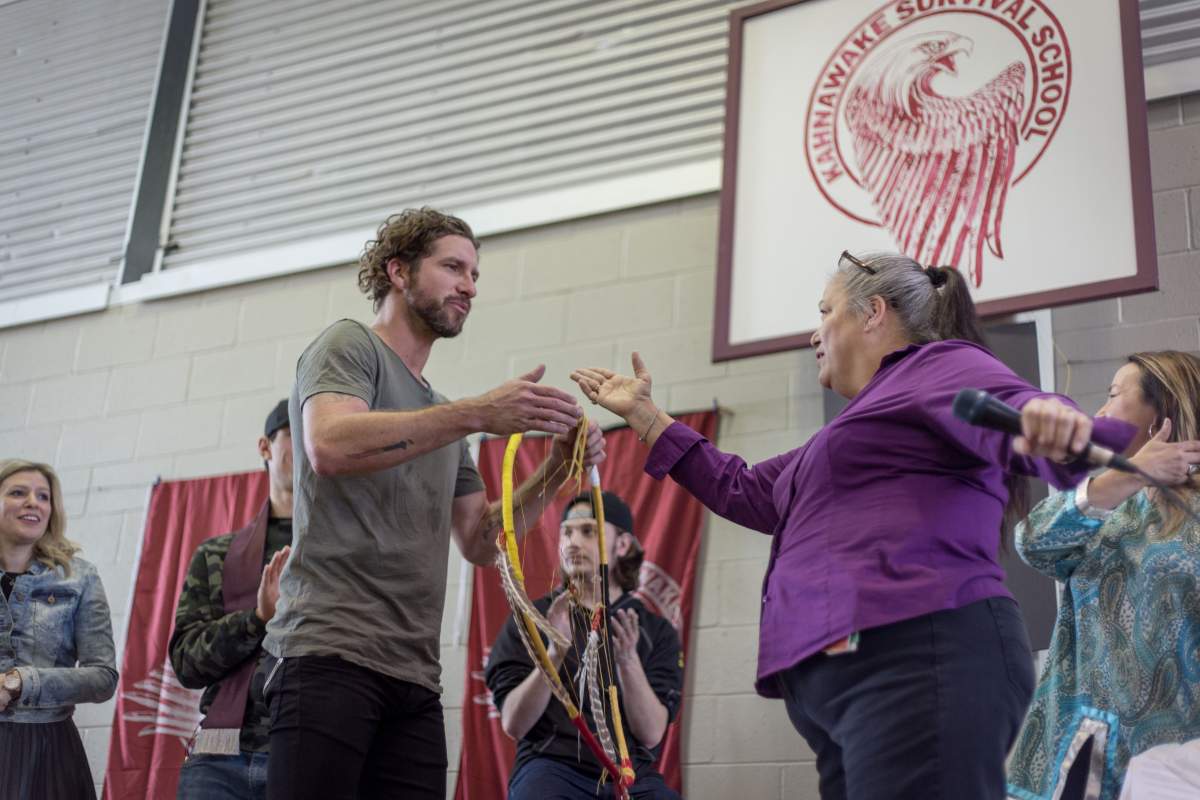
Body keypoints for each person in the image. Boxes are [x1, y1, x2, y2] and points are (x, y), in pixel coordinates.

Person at [571, 251, 1134, 800]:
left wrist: (1057, 424)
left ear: (874, 313)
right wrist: (645, 416)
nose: (814, 333)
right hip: (850, 687)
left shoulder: (937, 366)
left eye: (825, 312)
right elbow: (742, 489)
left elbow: (1018, 411)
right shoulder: (846, 435)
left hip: (917, 658)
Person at [262, 207, 604, 800]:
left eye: (475, 274)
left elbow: (479, 541)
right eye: (453, 267)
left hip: (413, 674)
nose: (469, 286)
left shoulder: (441, 416)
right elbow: (328, 445)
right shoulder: (349, 345)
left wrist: (556, 469)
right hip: (328, 652)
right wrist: (475, 413)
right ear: (398, 271)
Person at [1006, 352, 1200, 800]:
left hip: (1177, 755)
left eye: (1114, 395)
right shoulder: (1106, 506)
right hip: (1085, 743)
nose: (1099, 413)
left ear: (1160, 416)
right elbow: (1032, 543)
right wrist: (1123, 479)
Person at [486, 490, 683, 800]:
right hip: (552, 768)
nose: (573, 542)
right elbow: (514, 723)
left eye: (588, 531)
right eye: (566, 532)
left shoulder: (655, 632)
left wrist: (629, 661)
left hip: (630, 775)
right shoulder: (533, 618)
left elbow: (651, 733)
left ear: (622, 544)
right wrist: (555, 651)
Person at [169, 399, 295, 800]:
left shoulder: (343, 552)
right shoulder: (217, 555)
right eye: (298, 434)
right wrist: (256, 618)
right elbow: (187, 662)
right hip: (221, 760)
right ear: (265, 447)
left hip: (310, 754)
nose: (311, 447)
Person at [0, 459, 118, 800]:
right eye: (18, 492)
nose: (32, 502)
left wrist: (21, 681)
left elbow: (103, 678)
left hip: (50, 753)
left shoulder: (80, 577)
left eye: (43, 496)